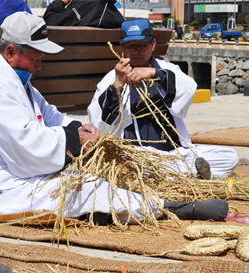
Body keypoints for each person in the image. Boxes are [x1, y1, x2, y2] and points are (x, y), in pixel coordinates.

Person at [0, 12, 228, 222]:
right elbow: (25, 146)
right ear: (11, 52)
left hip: (22, 176)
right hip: (2, 190)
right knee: (87, 187)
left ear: (153, 46)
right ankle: (168, 208)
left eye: (142, 47)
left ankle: (136, 204)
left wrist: (78, 127)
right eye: (37, 56)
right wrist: (78, 138)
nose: (41, 62)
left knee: (222, 157)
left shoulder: (16, 79)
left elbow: (49, 116)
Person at [87, 18, 239, 180]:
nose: (136, 51)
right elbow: (99, 124)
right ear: (123, 48)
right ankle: (182, 173)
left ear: (152, 45)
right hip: (137, 155)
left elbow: (188, 89)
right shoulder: (112, 78)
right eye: (130, 47)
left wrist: (155, 74)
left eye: (142, 46)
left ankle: (173, 172)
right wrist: (117, 86)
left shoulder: (166, 69)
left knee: (229, 156)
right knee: (138, 165)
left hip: (174, 153)